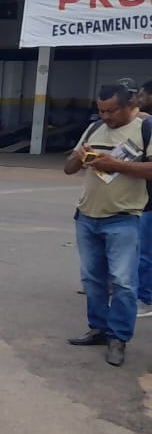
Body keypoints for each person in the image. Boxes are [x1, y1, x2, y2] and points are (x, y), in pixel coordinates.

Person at [65, 84, 152, 367]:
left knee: (124, 283)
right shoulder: (93, 130)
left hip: (124, 217)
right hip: (87, 215)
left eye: (111, 111)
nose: (105, 116)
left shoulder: (145, 129)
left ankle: (118, 338)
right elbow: (68, 168)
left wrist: (116, 165)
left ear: (129, 106)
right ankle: (99, 329)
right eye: (101, 111)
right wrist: (79, 156)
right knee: (92, 280)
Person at [133, 81, 152, 317]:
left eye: (141, 94)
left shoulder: (147, 124)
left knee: (144, 252)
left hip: (149, 200)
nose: (138, 98)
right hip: (143, 198)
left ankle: (145, 298)